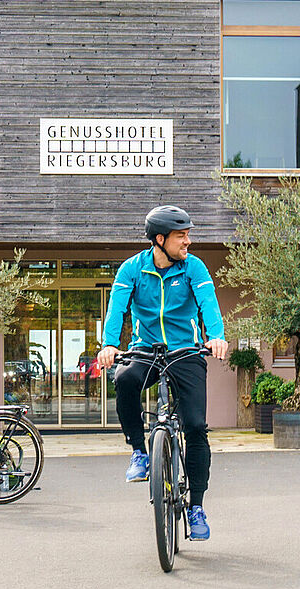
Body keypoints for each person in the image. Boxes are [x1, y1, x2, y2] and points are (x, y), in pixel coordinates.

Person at [96, 206, 227, 541]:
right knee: (124, 378)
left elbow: (208, 303)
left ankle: (196, 506)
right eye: (181, 236)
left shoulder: (193, 267)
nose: (188, 241)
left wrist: (215, 336)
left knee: (196, 427)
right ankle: (139, 451)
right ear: (160, 239)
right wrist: (110, 345)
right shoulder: (132, 269)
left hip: (186, 352)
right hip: (147, 351)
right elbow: (117, 310)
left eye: (188, 234)